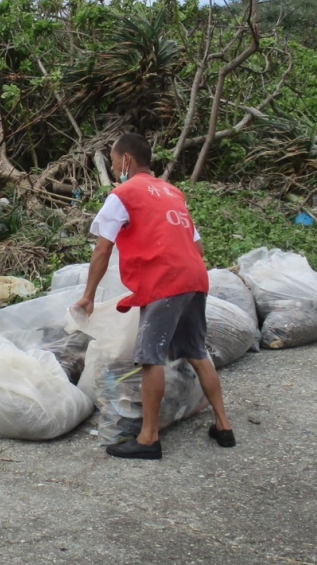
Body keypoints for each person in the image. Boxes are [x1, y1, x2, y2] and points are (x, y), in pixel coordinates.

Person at [72, 132, 234, 460]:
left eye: (115, 159)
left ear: (126, 160)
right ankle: (224, 426)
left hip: (164, 281)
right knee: (197, 351)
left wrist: (89, 296)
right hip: (194, 277)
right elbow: (198, 245)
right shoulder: (172, 192)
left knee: (150, 357)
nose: (116, 165)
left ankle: (148, 438)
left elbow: (103, 249)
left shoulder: (123, 193)